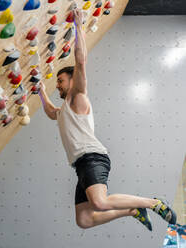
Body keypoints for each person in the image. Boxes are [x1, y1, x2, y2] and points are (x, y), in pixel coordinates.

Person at [39, 8, 176, 231]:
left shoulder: (78, 97)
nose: (58, 85)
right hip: (81, 165)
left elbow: (81, 62)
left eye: (61, 80)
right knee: (83, 220)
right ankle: (132, 210)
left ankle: (154, 203)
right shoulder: (64, 110)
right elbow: (51, 112)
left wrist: (78, 26)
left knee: (100, 202)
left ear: (72, 81)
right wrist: (40, 92)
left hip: (92, 158)